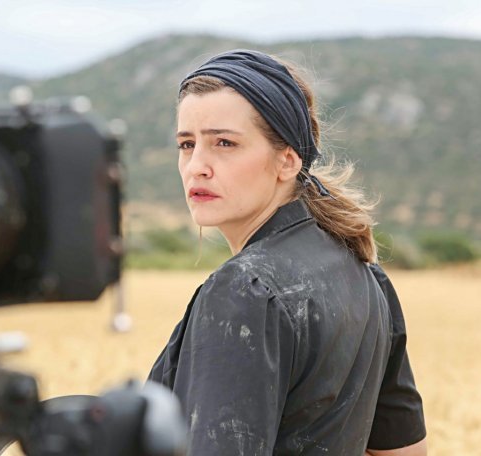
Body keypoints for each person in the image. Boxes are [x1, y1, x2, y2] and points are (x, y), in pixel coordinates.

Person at [148, 49, 427, 455]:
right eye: (186, 144)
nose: (197, 166)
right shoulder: (366, 275)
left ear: (287, 161)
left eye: (224, 143)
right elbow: (404, 450)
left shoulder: (244, 291)